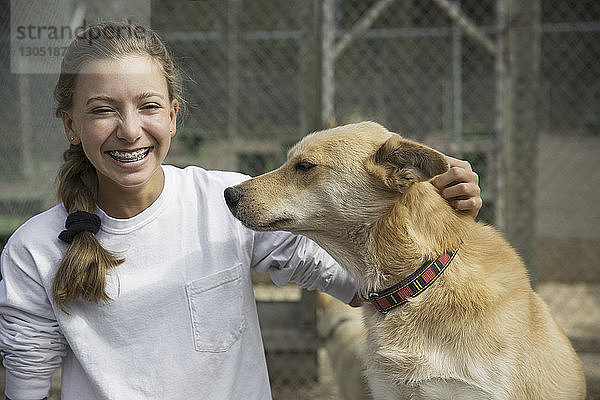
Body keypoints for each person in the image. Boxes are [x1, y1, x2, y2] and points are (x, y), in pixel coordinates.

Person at [0, 22, 481, 400]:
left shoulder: (231, 202)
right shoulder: (34, 250)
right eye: (103, 109)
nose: (129, 130)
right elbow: (28, 389)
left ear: (172, 114)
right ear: (70, 125)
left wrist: (437, 211)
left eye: (147, 106)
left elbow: (369, 284)